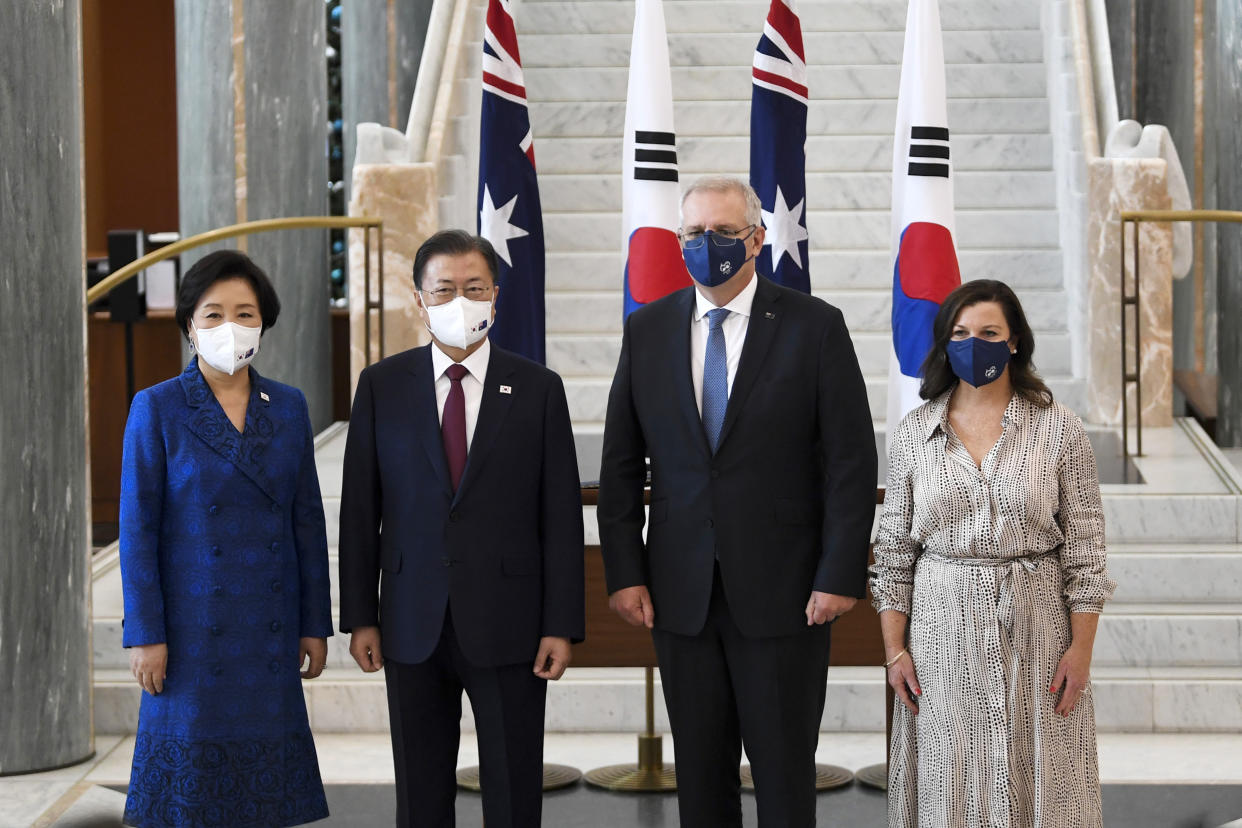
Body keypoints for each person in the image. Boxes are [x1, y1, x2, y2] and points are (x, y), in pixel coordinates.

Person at [598, 176, 878, 827]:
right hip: (680, 596)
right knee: (699, 780)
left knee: (783, 779)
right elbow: (619, 469)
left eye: (723, 233)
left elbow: (849, 464)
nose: (708, 245)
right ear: (678, 242)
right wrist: (625, 573)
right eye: (694, 234)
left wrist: (840, 574)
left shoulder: (815, 328)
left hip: (787, 597)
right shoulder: (647, 331)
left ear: (756, 239)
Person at [337, 230, 584, 828]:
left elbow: (560, 516)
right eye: (443, 290)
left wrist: (561, 625)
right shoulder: (381, 386)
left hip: (512, 622)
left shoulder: (538, 389)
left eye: (474, 288)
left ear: (495, 297)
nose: (460, 301)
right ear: (418, 301)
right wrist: (360, 616)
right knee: (420, 794)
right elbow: (359, 512)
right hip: (410, 620)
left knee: (513, 786)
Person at [870, 279, 1116, 828]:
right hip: (941, 634)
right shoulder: (915, 432)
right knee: (951, 778)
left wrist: (1081, 652)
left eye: (988, 332)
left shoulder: (1059, 429)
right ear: (944, 342)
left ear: (1013, 343)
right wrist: (894, 649)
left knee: (1045, 775)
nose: (973, 343)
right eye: (960, 333)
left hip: (1038, 630)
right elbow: (892, 555)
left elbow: (1086, 551)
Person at [119, 250, 333, 827]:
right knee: (189, 803)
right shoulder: (157, 407)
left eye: (245, 313)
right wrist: (145, 633)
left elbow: (306, 523)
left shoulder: (287, 406)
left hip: (267, 633)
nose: (229, 327)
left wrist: (315, 622)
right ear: (189, 324)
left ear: (264, 322)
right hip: (190, 635)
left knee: (264, 802)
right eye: (213, 315)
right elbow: (136, 530)